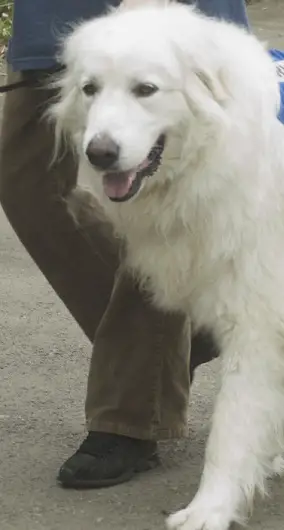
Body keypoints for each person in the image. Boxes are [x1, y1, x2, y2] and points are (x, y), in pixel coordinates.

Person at [0, 0, 250, 489]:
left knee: (156, 201)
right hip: (54, 16)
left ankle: (133, 412)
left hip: (156, 19)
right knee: (24, 177)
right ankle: (175, 343)